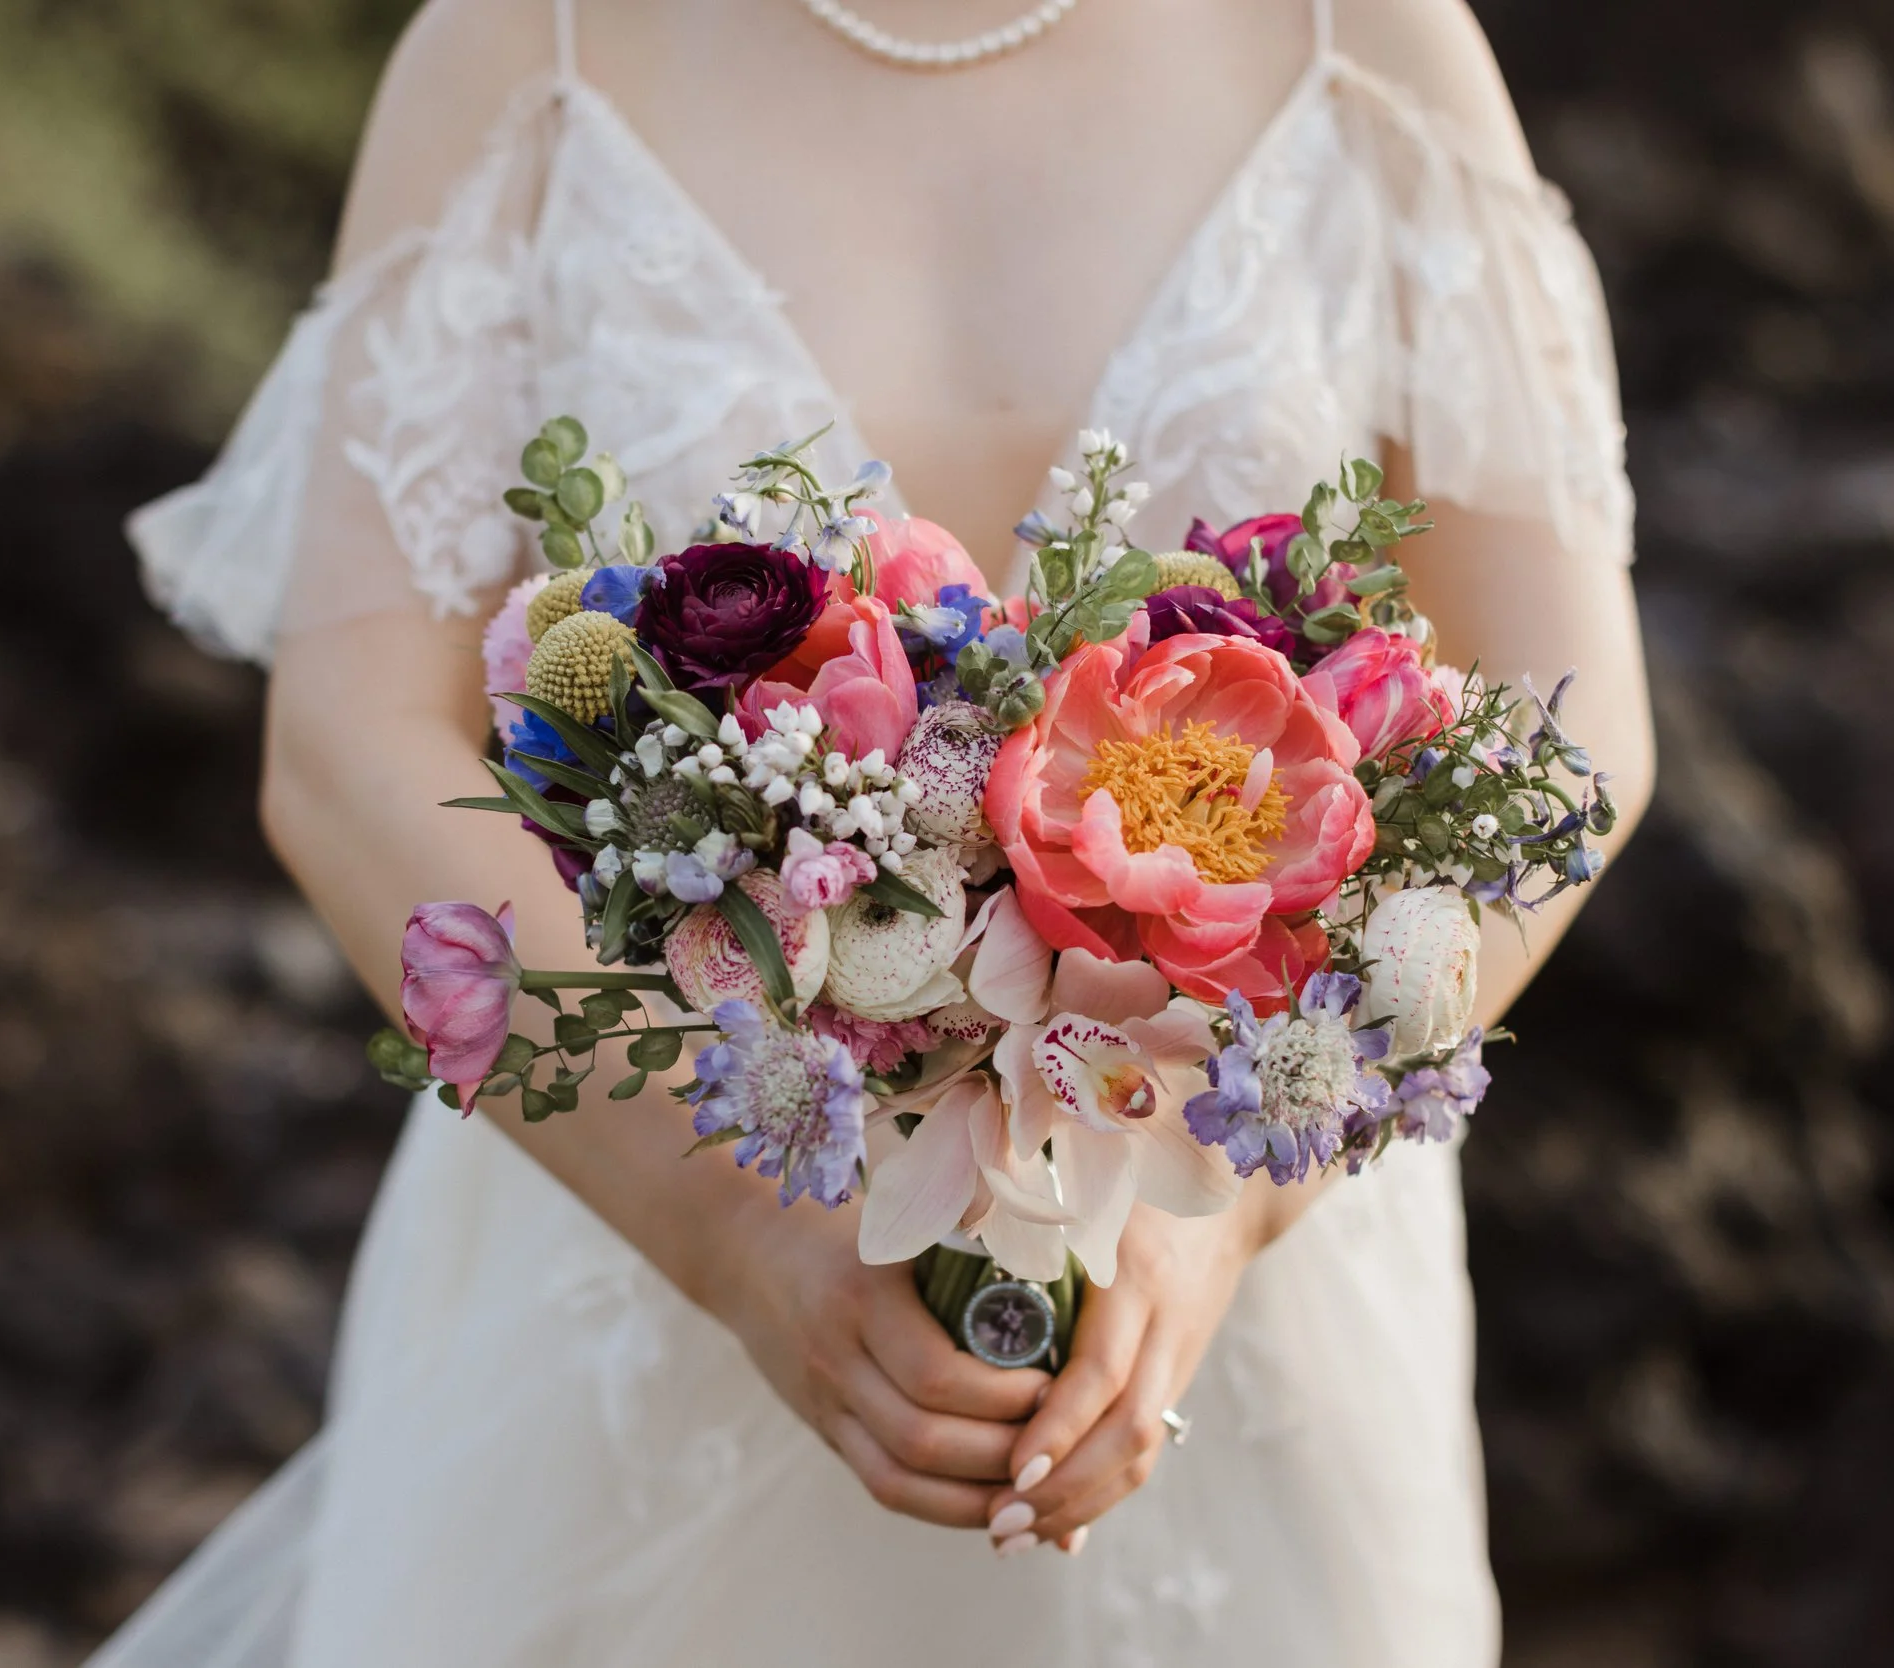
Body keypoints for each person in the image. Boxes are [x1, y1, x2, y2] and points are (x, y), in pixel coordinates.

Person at [100, 0, 1653, 1661]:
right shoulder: (525, 49)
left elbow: (1574, 732)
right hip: (640, 1235)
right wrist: (732, 1223)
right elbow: (348, 744)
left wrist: (1229, 1196)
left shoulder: (1365, 43)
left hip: (1230, 1318)